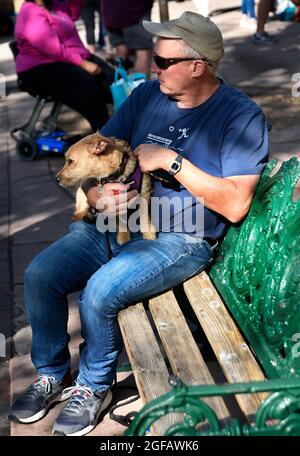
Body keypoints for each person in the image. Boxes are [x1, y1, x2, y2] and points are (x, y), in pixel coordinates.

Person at [9, 12, 268, 436]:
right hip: (116, 223)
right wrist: (97, 195)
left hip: (180, 236)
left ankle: (94, 386)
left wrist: (170, 160)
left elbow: (237, 205)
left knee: (100, 292)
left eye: (163, 62)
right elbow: (94, 162)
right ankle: (52, 372)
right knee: (40, 275)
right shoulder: (147, 96)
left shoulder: (240, 117)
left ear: (197, 66)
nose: (152, 68)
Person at [14, 0, 114, 132]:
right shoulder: (30, 11)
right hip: (39, 66)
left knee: (113, 79)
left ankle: (123, 125)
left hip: (68, 57)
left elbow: (73, 13)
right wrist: (83, 63)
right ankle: (105, 136)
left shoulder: (55, 4)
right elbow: (51, 48)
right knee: (88, 89)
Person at [101, 0, 154, 77]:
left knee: (122, 51)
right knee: (143, 51)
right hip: (133, 11)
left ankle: (125, 85)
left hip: (110, 11)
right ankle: (139, 87)